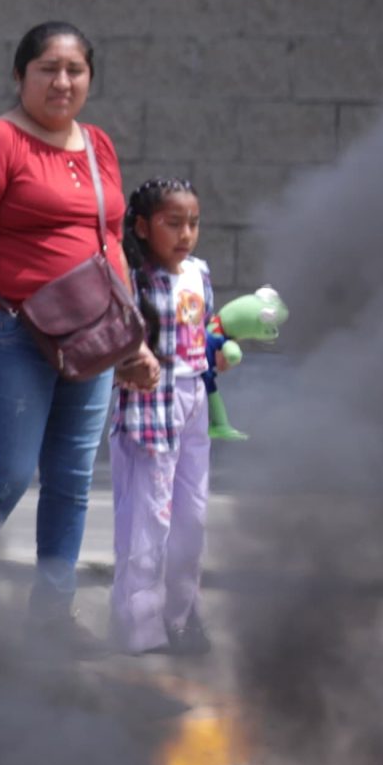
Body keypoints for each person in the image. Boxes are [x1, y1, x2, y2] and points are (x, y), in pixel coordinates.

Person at [0, 21, 159, 642]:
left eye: (75, 70)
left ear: (90, 80)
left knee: (73, 479)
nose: (62, 81)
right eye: (48, 68)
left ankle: (51, 617)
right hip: (7, 331)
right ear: (20, 75)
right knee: (7, 474)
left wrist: (131, 340)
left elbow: (112, 245)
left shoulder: (98, 144)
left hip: (89, 334)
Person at [109, 179, 214, 656]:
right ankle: (139, 626)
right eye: (173, 224)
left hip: (195, 403)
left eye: (192, 223)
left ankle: (181, 613)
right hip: (150, 406)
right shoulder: (132, 279)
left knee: (192, 515)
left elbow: (203, 329)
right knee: (149, 518)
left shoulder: (198, 272)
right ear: (143, 227)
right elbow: (115, 337)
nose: (185, 234)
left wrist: (219, 349)